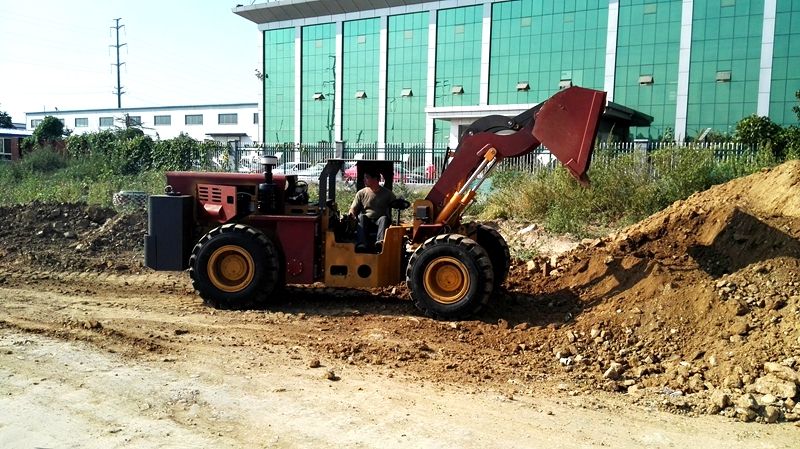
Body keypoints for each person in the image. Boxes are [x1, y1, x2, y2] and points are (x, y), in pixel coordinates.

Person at [349, 168, 396, 252]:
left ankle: (380, 243)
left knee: (384, 218)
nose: (364, 180)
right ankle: (362, 244)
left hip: (379, 221)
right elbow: (353, 208)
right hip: (366, 220)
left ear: (375, 179)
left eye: (367, 177)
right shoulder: (361, 193)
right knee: (361, 217)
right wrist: (351, 214)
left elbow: (396, 203)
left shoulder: (387, 193)